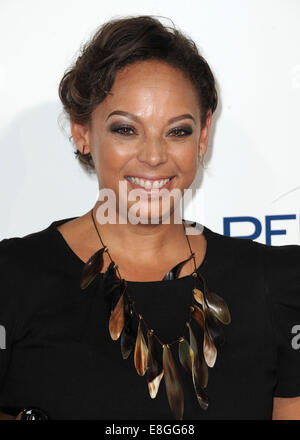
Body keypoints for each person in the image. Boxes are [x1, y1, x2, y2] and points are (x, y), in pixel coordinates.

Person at [0, 14, 300, 421]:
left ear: (204, 135)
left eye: (178, 131)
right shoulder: (12, 279)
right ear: (82, 131)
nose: (155, 156)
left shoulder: (277, 282)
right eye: (126, 130)